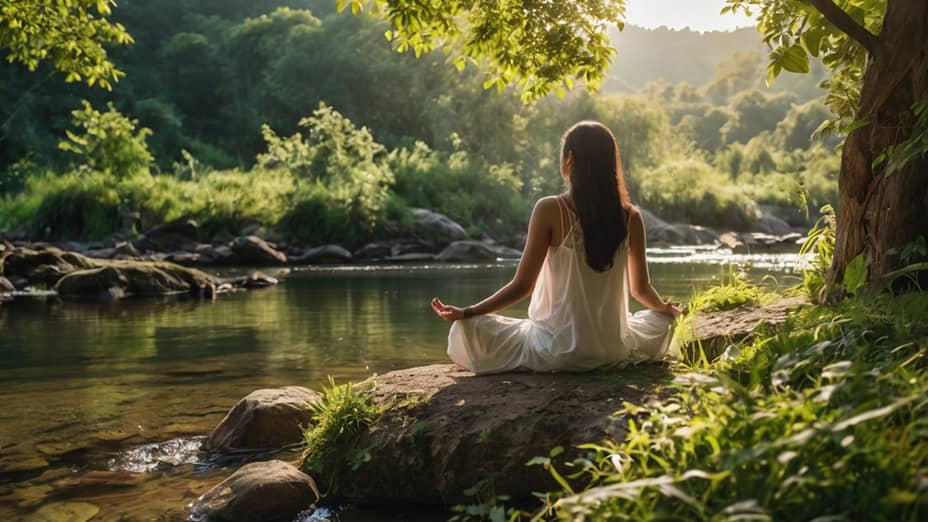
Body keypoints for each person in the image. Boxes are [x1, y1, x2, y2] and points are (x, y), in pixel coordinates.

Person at [430, 121, 684, 374]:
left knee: (467, 329)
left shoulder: (550, 209)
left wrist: (467, 312)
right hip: (611, 349)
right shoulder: (631, 217)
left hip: (554, 351)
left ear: (570, 158)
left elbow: (522, 286)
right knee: (661, 321)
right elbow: (641, 290)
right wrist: (665, 309)